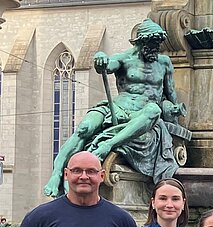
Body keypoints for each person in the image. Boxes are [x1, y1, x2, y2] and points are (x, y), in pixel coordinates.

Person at [44, 19, 186, 197]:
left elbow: (170, 92)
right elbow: (107, 65)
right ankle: (57, 172)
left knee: (154, 110)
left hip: (142, 114)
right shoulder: (124, 58)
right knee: (84, 128)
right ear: (141, 42)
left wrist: (174, 111)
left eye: (158, 44)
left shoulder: (164, 63)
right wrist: (100, 58)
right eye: (152, 43)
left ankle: (107, 145)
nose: (156, 48)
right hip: (117, 107)